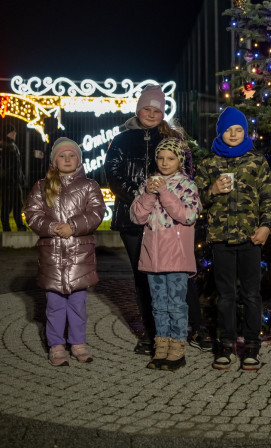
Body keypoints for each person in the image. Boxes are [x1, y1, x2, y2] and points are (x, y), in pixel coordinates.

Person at [105, 84, 210, 355]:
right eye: (146, 109)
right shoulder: (121, 140)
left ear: (162, 112)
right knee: (144, 277)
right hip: (133, 218)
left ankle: (195, 327)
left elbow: (187, 173)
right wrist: (141, 198)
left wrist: (162, 199)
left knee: (178, 275)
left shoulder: (173, 137)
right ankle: (152, 334)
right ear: (138, 109)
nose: (151, 114)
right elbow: (114, 176)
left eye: (156, 110)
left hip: (170, 221)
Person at [195, 106, 271, 371]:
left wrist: (265, 227)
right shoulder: (209, 164)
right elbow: (194, 202)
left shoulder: (257, 161)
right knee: (226, 295)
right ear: (221, 132)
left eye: (238, 129)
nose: (233, 133)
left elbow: (268, 199)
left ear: (245, 132)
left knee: (252, 295)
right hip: (221, 239)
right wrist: (212, 190)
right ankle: (227, 344)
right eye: (229, 129)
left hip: (251, 238)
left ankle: (252, 345)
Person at [23, 137, 106, 366]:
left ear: (79, 160)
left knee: (78, 303)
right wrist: (51, 227)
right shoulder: (41, 186)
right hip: (52, 257)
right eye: (62, 155)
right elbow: (33, 214)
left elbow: (96, 212)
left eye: (72, 155)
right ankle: (56, 345)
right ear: (54, 160)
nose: (67, 159)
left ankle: (78, 343)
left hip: (80, 256)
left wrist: (74, 226)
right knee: (55, 304)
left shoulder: (90, 185)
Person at [130, 138, 202, 371]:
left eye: (170, 158)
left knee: (176, 304)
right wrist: (150, 194)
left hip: (177, 257)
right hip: (154, 257)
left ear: (179, 161)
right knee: (158, 304)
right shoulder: (148, 184)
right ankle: (161, 347)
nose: (164, 162)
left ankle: (177, 348)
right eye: (160, 158)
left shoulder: (187, 185)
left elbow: (188, 215)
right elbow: (137, 217)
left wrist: (163, 191)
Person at [0, 121, 26, 231]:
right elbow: (7, 166)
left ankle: (17, 225)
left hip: (14, 181)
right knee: (9, 205)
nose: (15, 133)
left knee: (16, 205)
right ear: (7, 133)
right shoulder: (5, 146)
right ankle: (10, 226)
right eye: (12, 131)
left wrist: (20, 177)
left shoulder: (11, 146)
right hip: (9, 181)